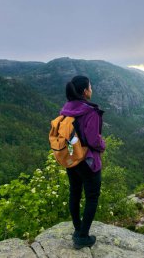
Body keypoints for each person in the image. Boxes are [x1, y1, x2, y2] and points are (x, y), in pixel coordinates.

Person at [59, 75, 105, 249]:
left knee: (75, 193)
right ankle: (83, 236)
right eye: (90, 87)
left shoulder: (67, 108)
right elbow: (94, 140)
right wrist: (103, 144)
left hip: (71, 157)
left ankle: (77, 229)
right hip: (87, 160)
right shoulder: (90, 112)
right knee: (92, 197)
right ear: (85, 91)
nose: (91, 90)